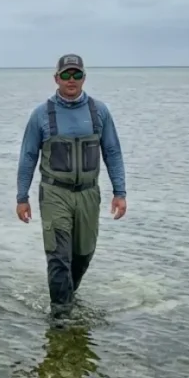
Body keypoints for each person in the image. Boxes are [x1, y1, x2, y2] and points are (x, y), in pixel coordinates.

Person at [15, 54, 127, 311]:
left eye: (76, 74)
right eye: (66, 75)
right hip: (55, 193)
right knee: (58, 257)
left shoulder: (100, 112)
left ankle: (68, 297)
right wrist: (22, 197)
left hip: (88, 194)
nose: (71, 80)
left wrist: (120, 192)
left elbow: (113, 152)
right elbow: (28, 157)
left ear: (84, 78)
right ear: (56, 78)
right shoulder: (41, 115)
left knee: (83, 255)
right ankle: (60, 319)